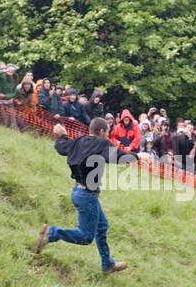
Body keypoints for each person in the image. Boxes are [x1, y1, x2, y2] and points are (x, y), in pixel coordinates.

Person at [31, 117, 128, 274]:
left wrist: (61, 135)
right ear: (102, 131)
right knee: (86, 237)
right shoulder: (102, 143)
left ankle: (107, 264)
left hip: (78, 191)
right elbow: (118, 156)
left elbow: (62, 147)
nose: (107, 136)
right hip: (87, 196)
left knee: (102, 226)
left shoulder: (79, 141)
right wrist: (138, 156)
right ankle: (52, 233)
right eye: (107, 132)